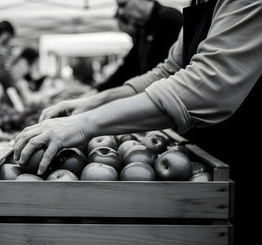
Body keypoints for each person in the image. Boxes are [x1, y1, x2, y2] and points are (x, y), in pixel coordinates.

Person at [14, 1, 261, 243]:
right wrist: (93, 102)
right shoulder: (199, 2)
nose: (120, 11)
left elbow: (207, 86)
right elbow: (167, 72)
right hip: (205, 167)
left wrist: (84, 124)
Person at [95, 0, 182, 91]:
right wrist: (100, 90)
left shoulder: (168, 18)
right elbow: (130, 65)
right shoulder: (144, 27)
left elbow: (166, 71)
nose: (122, 12)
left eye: (123, 5)